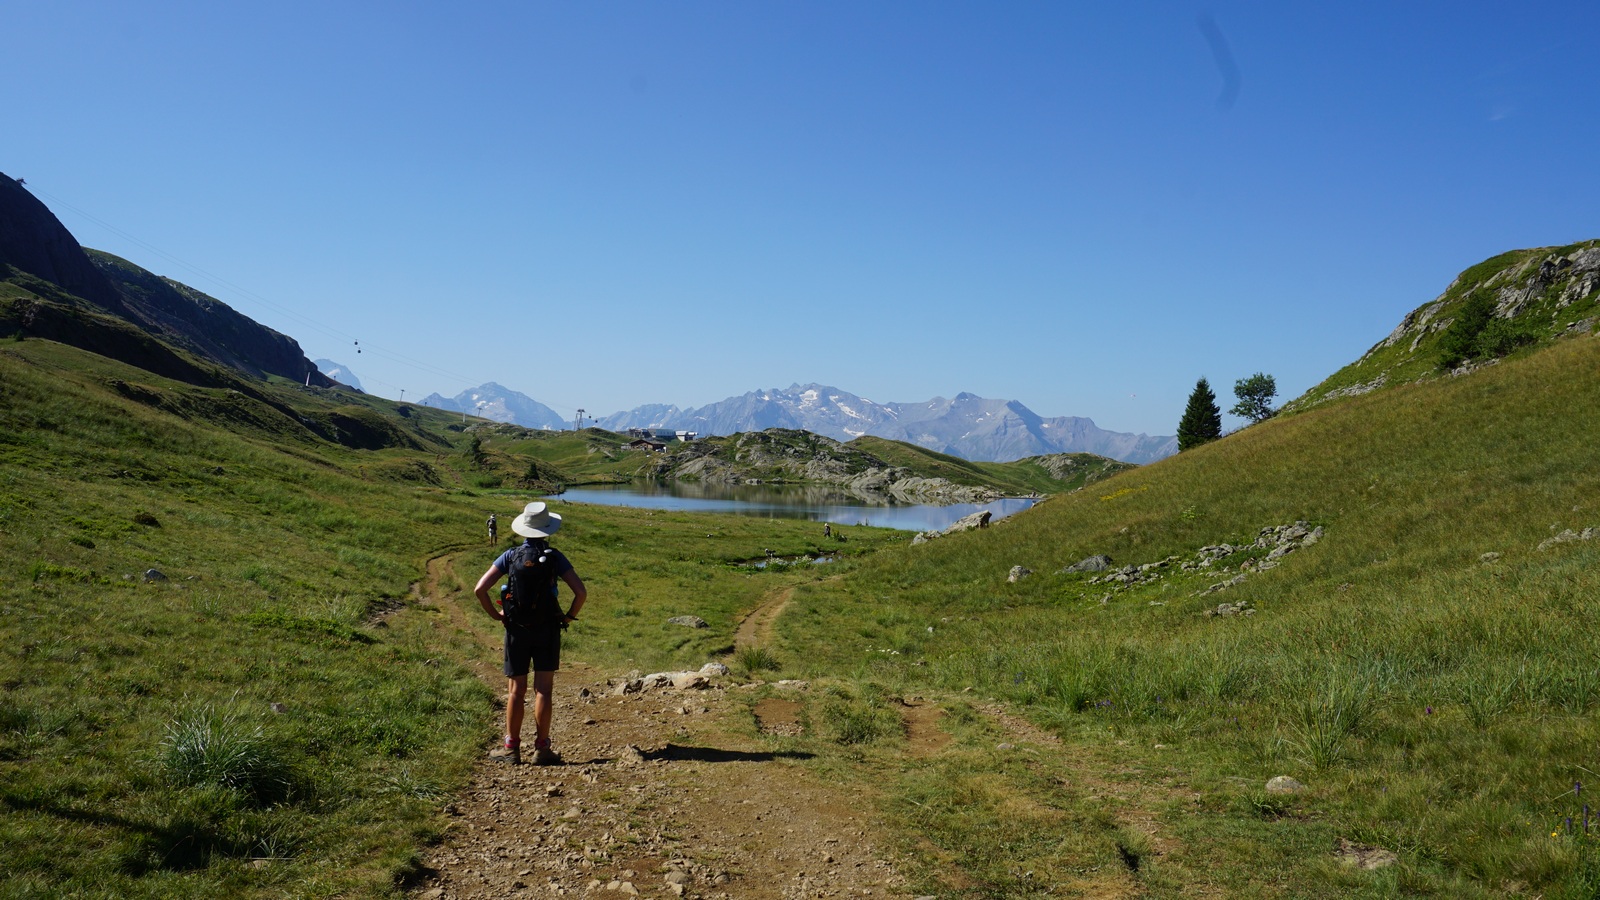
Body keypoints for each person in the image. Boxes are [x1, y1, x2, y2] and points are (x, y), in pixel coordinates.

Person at [473, 501, 586, 765]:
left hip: (516, 629)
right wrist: (568, 616)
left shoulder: (510, 556)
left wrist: (496, 615)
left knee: (515, 690)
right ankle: (542, 749)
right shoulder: (555, 558)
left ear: (524, 528)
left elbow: (479, 590)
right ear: (548, 530)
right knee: (543, 690)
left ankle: (511, 748)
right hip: (548, 628)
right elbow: (581, 592)